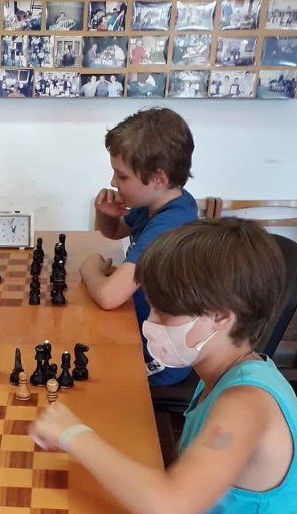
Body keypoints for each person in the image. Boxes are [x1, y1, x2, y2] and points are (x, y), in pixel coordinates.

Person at [32, 218, 297, 514]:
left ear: (221, 317)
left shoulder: (245, 405)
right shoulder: (223, 374)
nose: (150, 324)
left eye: (165, 314)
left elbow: (165, 509)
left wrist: (72, 433)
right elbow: (178, 506)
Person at [79, 107, 198, 386]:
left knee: (84, 376)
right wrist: (105, 213)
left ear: (159, 178)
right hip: (138, 326)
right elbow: (115, 231)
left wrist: (90, 269)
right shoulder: (159, 203)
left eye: (122, 176)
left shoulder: (169, 226)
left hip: (160, 357)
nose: (113, 182)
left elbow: (108, 296)